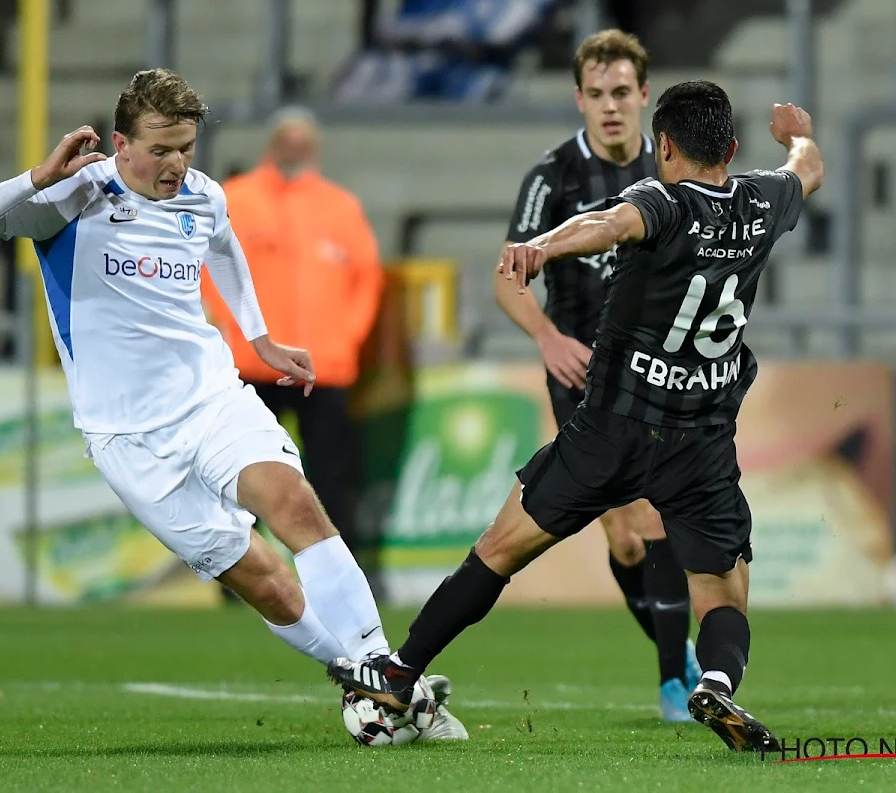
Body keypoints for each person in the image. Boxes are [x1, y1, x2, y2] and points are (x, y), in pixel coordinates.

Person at [0, 68, 465, 741]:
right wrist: (34, 179)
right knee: (263, 578)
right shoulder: (73, 199)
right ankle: (363, 683)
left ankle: (385, 675)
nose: (175, 164)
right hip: (126, 437)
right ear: (121, 144)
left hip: (212, 401)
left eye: (185, 147)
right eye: (160, 149)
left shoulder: (203, 196)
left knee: (295, 503)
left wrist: (260, 337)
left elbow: (224, 248)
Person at [329, 82, 824, 754]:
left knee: (497, 552)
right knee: (724, 591)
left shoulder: (663, 200)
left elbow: (608, 223)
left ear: (666, 146)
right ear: (732, 150)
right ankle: (713, 682)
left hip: (613, 428)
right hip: (700, 440)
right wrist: (796, 132)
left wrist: (543, 247)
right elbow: (808, 167)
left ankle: (399, 669)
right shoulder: (763, 201)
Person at [499, 28, 698, 721]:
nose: (610, 107)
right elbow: (509, 277)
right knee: (621, 533)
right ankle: (681, 662)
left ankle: (677, 679)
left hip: (656, 371)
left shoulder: (675, 171)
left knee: (655, 518)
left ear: (645, 96)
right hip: (581, 374)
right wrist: (547, 336)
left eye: (622, 93)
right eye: (596, 95)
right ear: (578, 99)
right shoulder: (553, 178)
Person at [201, 106, 384, 562]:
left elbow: (367, 280)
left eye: (304, 140)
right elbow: (205, 270)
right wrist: (226, 332)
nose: (295, 148)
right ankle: (242, 575)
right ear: (271, 142)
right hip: (248, 366)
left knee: (330, 480)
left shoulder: (340, 206)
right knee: (244, 478)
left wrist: (346, 340)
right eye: (288, 138)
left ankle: (342, 576)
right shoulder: (235, 200)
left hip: (324, 367)